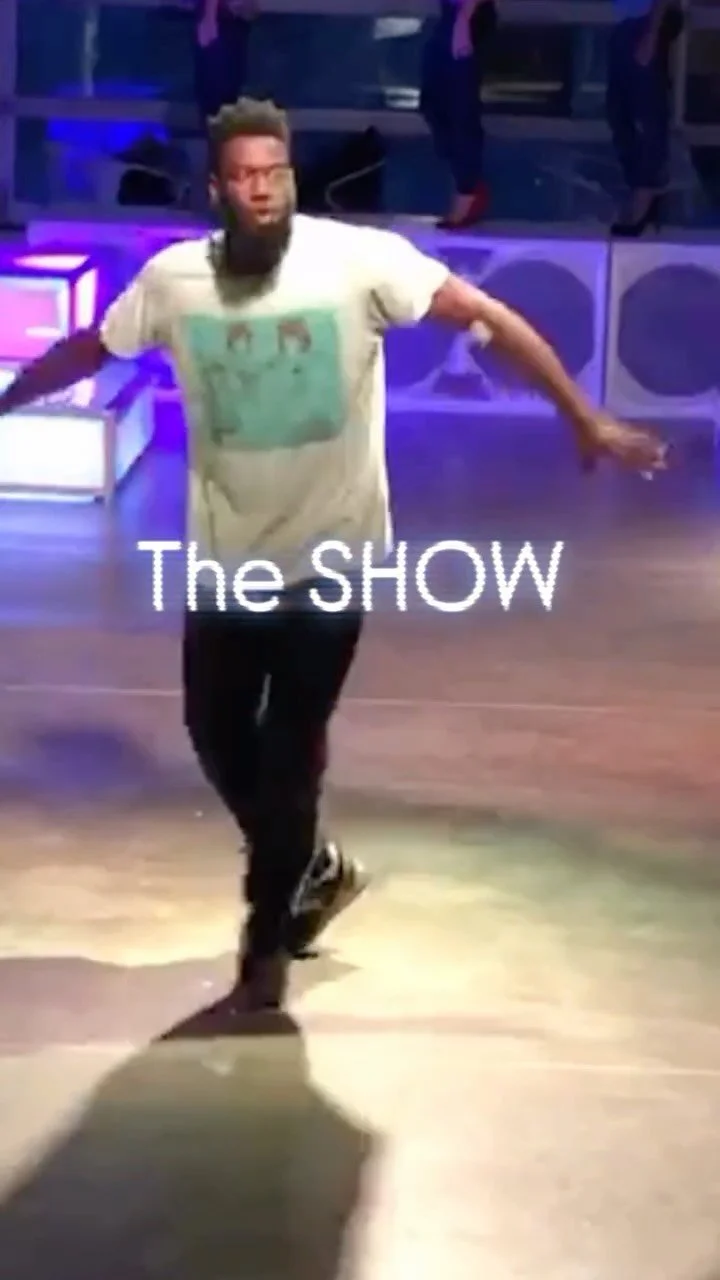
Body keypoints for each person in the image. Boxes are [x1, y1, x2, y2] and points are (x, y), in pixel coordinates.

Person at [0, 97, 667, 1015]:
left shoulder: (360, 263)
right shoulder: (174, 280)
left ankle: (265, 941)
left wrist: (581, 417)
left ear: (291, 177)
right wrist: (8, 401)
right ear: (216, 188)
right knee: (215, 733)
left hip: (334, 555)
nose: (262, 190)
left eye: (274, 173)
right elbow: (89, 348)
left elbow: (486, 316)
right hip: (227, 559)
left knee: (290, 749)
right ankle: (308, 865)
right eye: (243, 177)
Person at [606, 0, 683, 236]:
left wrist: (652, 32)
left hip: (644, 26)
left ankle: (645, 199)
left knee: (645, 114)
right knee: (620, 113)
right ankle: (643, 195)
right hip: (624, 25)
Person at [420, 0, 497, 229]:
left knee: (460, 108)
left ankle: (468, 190)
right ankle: (468, 184)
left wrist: (464, 19)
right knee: (433, 103)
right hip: (450, 17)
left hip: (466, 17)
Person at [195, 0, 257, 124]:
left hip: (232, 22)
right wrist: (209, 18)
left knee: (226, 94)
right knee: (217, 95)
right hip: (222, 24)